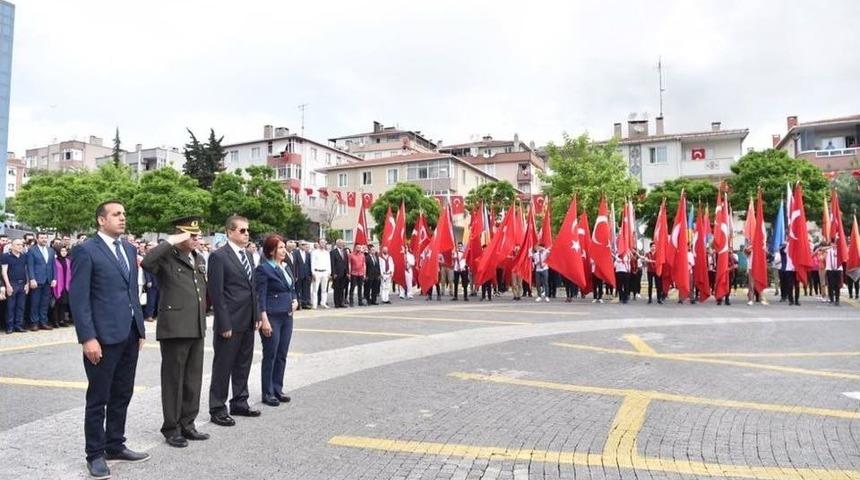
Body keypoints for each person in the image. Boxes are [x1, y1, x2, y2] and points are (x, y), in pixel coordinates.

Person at [70, 200, 150, 478]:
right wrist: (87, 338)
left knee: (122, 394)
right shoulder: (85, 251)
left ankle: (115, 444)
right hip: (102, 338)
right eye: (116, 214)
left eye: (124, 214)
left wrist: (139, 329)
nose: (122, 218)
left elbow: (131, 292)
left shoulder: (128, 248)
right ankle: (94, 454)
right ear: (101, 221)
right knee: (98, 398)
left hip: (128, 334)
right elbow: (79, 299)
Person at [139, 216, 210, 448]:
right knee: (173, 380)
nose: (196, 239)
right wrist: (169, 241)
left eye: (197, 236)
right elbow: (147, 262)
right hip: (175, 327)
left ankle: (188, 423)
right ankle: (171, 428)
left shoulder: (198, 258)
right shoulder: (167, 256)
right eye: (191, 235)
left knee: (192, 379)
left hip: (196, 326)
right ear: (180, 235)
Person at [208, 215, 261, 427]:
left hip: (247, 319)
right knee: (223, 366)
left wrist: (256, 314)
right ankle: (217, 408)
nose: (246, 234)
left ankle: (240, 401)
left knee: (243, 364)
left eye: (248, 230)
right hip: (230, 321)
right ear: (230, 232)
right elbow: (217, 293)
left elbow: (252, 288)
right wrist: (224, 323)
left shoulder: (248, 255)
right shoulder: (219, 257)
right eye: (242, 230)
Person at [255, 235, 298, 407]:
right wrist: (263, 319)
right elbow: (260, 296)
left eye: (283, 247)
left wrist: (295, 300)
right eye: (280, 248)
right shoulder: (264, 269)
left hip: (287, 315)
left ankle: (277, 388)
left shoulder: (286, 267)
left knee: (282, 354)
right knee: (270, 355)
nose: (284, 250)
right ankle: (268, 392)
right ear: (272, 251)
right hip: (272, 316)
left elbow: (291, 288)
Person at [26, 232, 56, 331]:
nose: (44, 239)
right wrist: (32, 279)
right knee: (35, 302)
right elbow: (30, 266)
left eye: (45, 238)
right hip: (37, 280)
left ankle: (43, 322)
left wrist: (54, 278)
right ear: (37, 239)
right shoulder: (32, 250)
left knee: (45, 303)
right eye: (42, 238)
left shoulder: (51, 250)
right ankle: (34, 323)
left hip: (48, 280)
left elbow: (53, 266)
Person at [3, 239, 28, 333]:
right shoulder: (6, 256)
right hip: (12, 283)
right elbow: (4, 272)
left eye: (21, 245)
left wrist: (27, 283)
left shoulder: (24, 256)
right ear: (12, 246)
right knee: (10, 306)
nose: (20, 246)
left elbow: (26, 270)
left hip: (23, 283)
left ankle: (19, 325)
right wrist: (8, 285)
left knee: (21, 306)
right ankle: (10, 326)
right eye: (17, 244)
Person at [52, 245, 73, 327]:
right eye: (62, 251)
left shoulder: (68, 261)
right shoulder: (54, 261)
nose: (64, 252)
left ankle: (62, 320)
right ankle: (55, 321)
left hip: (66, 285)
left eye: (65, 251)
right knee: (56, 304)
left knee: (63, 303)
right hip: (57, 285)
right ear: (58, 252)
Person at [310, 239, 331, 309]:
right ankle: (314, 304)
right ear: (319, 243)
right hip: (317, 272)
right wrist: (313, 272)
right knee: (315, 289)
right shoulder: (314, 252)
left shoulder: (327, 253)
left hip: (325, 272)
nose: (323, 244)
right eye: (321, 242)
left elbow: (328, 263)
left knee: (324, 289)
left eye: (324, 242)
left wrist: (329, 272)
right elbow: (312, 263)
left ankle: (323, 303)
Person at [293, 241, 312, 309]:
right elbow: (294, 264)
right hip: (299, 274)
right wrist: (295, 275)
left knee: (306, 289)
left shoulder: (307, 253)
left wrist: (310, 274)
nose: (304, 246)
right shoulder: (296, 253)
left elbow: (309, 264)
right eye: (302, 245)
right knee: (298, 289)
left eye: (305, 245)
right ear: (300, 245)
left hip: (306, 274)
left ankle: (305, 303)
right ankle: (298, 304)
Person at [330, 239, 349, 308]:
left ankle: (341, 302)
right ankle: (337, 303)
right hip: (337, 273)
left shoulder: (344, 252)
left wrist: (347, 272)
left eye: (342, 243)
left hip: (343, 273)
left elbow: (346, 263)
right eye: (340, 243)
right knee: (336, 288)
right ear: (337, 244)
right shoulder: (333, 252)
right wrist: (333, 273)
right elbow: (332, 263)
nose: (342, 244)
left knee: (342, 288)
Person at [823, 241, 842, 306]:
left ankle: (837, 300)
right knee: (830, 285)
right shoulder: (828, 250)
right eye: (833, 243)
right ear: (831, 243)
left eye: (836, 243)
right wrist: (830, 247)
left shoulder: (840, 250)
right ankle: (831, 299)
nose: (834, 245)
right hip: (830, 269)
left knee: (837, 285)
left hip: (838, 269)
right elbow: (821, 249)